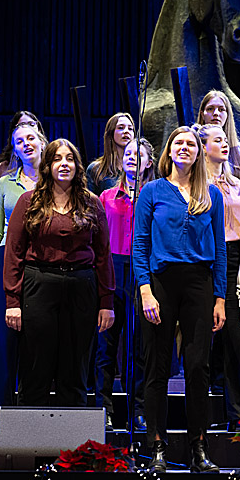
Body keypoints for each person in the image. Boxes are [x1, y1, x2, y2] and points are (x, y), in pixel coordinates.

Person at [133, 126, 226, 473]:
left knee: (198, 368)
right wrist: (145, 290)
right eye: (179, 143)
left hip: (199, 283)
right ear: (169, 151)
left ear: (199, 153)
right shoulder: (152, 191)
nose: (185, 147)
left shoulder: (211, 194)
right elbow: (140, 243)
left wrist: (220, 298)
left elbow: (220, 249)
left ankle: (197, 448)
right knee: (157, 366)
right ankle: (157, 446)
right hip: (160, 283)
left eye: (191, 143)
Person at [4, 139, 116, 408]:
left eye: (69, 159)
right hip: (39, 285)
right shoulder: (28, 201)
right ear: (47, 166)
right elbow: (14, 252)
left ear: (77, 166)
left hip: (81, 287)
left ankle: (73, 435)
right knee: (35, 368)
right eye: (57, 159)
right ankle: (31, 434)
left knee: (74, 370)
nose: (64, 164)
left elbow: (103, 255)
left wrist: (106, 303)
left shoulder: (91, 203)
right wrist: (12, 301)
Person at [0, 119, 47, 408]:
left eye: (31, 138)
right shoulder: (4, 183)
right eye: (20, 141)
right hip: (9, 263)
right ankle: (3, 411)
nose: (26, 144)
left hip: (44, 265)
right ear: (15, 150)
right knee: (6, 340)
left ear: (42, 142)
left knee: (36, 339)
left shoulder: (55, 181)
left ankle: (32, 411)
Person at [97, 138, 155, 431]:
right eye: (128, 153)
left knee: (139, 346)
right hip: (112, 269)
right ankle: (103, 409)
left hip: (143, 271)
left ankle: (139, 410)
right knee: (106, 346)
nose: (132, 158)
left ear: (149, 162)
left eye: (138, 155)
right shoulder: (107, 196)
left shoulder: (154, 196)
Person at [197, 124, 240, 430]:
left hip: (234, 257)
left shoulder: (237, 185)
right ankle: (199, 414)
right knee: (201, 339)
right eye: (218, 140)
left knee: (235, 339)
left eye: (225, 139)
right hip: (204, 258)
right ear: (204, 148)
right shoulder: (196, 185)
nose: (225, 144)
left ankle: (238, 413)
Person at [197, 89, 240, 213]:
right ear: (202, 114)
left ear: (228, 114)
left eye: (221, 109)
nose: (216, 113)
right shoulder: (194, 147)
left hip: (234, 215)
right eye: (210, 109)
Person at [86, 112, 135, 195]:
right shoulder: (96, 169)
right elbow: (89, 200)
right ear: (110, 134)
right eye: (121, 128)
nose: (126, 131)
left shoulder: (140, 168)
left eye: (130, 129)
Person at [0, 111, 47, 184]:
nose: (26, 128)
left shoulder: (51, 165)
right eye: (21, 125)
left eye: (31, 124)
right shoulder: (4, 168)